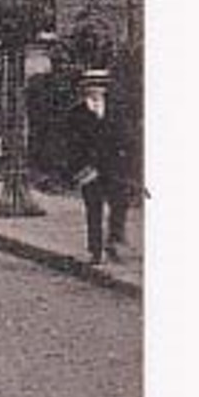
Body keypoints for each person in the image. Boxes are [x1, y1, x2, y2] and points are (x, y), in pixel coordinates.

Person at [64, 69, 130, 265]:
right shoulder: (76, 113)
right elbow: (71, 144)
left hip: (113, 167)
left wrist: (124, 159)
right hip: (89, 169)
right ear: (84, 89)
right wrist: (79, 169)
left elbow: (125, 136)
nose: (96, 90)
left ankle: (113, 242)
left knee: (119, 204)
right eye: (91, 85)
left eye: (100, 85)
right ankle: (95, 250)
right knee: (94, 209)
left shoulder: (116, 110)